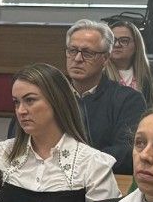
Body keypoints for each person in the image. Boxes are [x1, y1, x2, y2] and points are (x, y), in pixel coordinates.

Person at [0, 62, 119, 202]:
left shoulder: (93, 165)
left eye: (30, 100)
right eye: (16, 102)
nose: (21, 111)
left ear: (57, 101)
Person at [62, 20, 146, 172]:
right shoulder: (52, 96)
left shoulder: (128, 99)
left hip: (106, 182)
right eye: (72, 51)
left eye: (87, 53)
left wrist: (76, 161)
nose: (78, 59)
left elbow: (126, 152)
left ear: (106, 59)